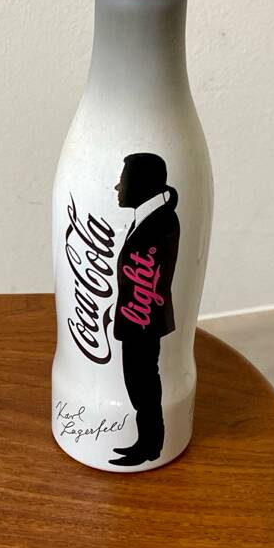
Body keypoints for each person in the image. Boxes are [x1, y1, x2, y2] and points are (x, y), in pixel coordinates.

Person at [110, 152, 180, 467]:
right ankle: (146, 444)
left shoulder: (160, 220)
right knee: (140, 385)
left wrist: (135, 313)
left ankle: (150, 446)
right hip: (137, 320)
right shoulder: (150, 217)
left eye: (123, 179)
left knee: (143, 386)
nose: (116, 186)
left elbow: (152, 278)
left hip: (143, 321)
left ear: (141, 182)